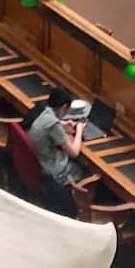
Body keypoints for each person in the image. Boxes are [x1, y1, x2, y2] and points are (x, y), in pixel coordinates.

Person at [26, 84, 85, 216]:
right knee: (82, 169)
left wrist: (62, 126)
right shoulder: (53, 124)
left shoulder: (43, 111)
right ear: (64, 107)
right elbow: (74, 152)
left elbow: (49, 125)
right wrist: (79, 130)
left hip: (39, 160)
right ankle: (79, 204)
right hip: (50, 170)